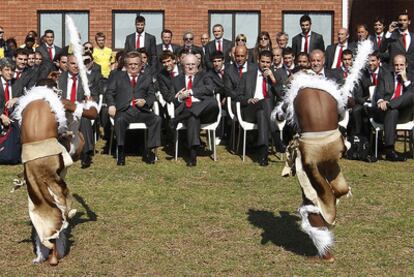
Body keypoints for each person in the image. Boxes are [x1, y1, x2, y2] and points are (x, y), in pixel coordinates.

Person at [106, 51, 161, 165]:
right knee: (120, 120)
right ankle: (121, 151)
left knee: (156, 119)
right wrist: (111, 105)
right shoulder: (118, 77)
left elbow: (152, 95)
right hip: (124, 111)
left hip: (141, 111)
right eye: (130, 64)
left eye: (136, 64)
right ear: (126, 65)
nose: (133, 66)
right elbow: (109, 93)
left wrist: (145, 101)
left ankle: (150, 150)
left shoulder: (146, 78)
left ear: (141, 65)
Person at [237, 50, 286, 166]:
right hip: (249, 110)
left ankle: (263, 154)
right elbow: (238, 96)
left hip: (264, 112)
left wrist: (273, 79)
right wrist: (248, 100)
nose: (265, 65)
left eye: (268, 62)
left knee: (263, 110)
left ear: (271, 63)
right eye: (263, 62)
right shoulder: (247, 75)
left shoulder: (276, 76)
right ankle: (276, 138)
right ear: (258, 61)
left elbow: (282, 95)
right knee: (265, 103)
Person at [169, 54, 219, 166]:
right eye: (187, 65)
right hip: (187, 110)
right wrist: (180, 97)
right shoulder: (176, 80)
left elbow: (210, 88)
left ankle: (179, 118)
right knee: (193, 117)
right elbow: (172, 100)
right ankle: (192, 155)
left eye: (193, 64)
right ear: (182, 65)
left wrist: (191, 91)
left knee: (213, 102)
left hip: (206, 112)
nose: (190, 67)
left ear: (198, 65)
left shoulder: (205, 76)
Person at [57, 54, 98, 168]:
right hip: (63, 110)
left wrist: (89, 101)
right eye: (72, 63)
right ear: (67, 64)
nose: (75, 66)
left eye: (78, 64)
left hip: (80, 109)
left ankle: (86, 154)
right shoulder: (59, 78)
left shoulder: (87, 79)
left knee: (84, 118)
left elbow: (94, 96)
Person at [374, 54, 414, 161]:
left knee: (412, 94)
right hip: (387, 113)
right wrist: (381, 100)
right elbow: (378, 93)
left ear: (406, 65)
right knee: (393, 111)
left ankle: (390, 104)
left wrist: (405, 80)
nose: (399, 67)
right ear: (393, 66)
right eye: (396, 65)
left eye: (401, 65)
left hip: (405, 114)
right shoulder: (385, 76)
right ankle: (390, 150)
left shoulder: (412, 77)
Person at [0, 58, 21, 164]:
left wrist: (16, 99)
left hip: (13, 119)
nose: (10, 73)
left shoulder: (16, 82)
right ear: (0, 71)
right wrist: (1, 116)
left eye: (12, 70)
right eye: (7, 70)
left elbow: (25, 96)